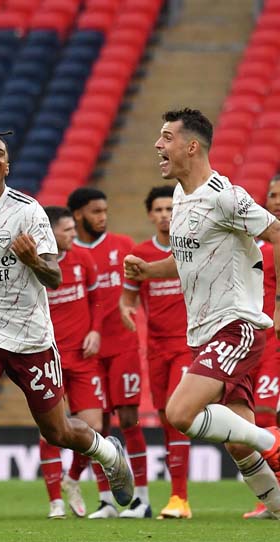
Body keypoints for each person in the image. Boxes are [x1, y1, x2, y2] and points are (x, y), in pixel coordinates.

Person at [0, 129, 133, 542]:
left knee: (58, 432)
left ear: (7, 166)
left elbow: (54, 276)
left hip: (29, 338)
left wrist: (31, 259)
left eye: (0, 153)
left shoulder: (28, 213)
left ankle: (109, 453)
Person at [124, 108, 280, 518]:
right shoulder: (180, 197)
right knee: (239, 443)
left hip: (236, 327)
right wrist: (149, 270)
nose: (158, 145)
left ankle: (274, 440)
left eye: (166, 137)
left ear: (191, 147)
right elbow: (186, 257)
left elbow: (275, 231)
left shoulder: (225, 196)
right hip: (207, 335)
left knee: (179, 413)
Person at [67, 187, 148, 519]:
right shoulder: (69, 253)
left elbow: (140, 287)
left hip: (123, 345)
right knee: (97, 428)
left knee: (129, 418)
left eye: (105, 210)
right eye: (95, 211)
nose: (103, 216)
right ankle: (106, 500)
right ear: (77, 215)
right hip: (89, 352)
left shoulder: (123, 246)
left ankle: (142, 498)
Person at [120, 186, 193, 519]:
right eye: (159, 209)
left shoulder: (190, 247)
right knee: (165, 418)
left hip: (187, 344)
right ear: (150, 215)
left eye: (170, 208)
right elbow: (128, 296)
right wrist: (126, 310)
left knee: (178, 418)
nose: (165, 214)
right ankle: (177, 497)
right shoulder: (141, 252)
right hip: (156, 347)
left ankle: (180, 497)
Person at [39, 206, 104, 519]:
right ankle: (54, 502)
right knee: (49, 430)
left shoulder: (83, 259)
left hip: (83, 356)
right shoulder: (37, 266)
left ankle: (72, 479)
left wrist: (95, 330)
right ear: (50, 232)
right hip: (48, 357)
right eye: (67, 230)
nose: (73, 235)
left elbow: (97, 299)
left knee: (94, 427)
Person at [243, 174, 280, 519]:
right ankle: (270, 498)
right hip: (259, 338)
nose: (276, 199)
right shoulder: (258, 245)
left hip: (275, 341)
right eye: (271, 194)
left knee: (266, 414)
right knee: (258, 416)